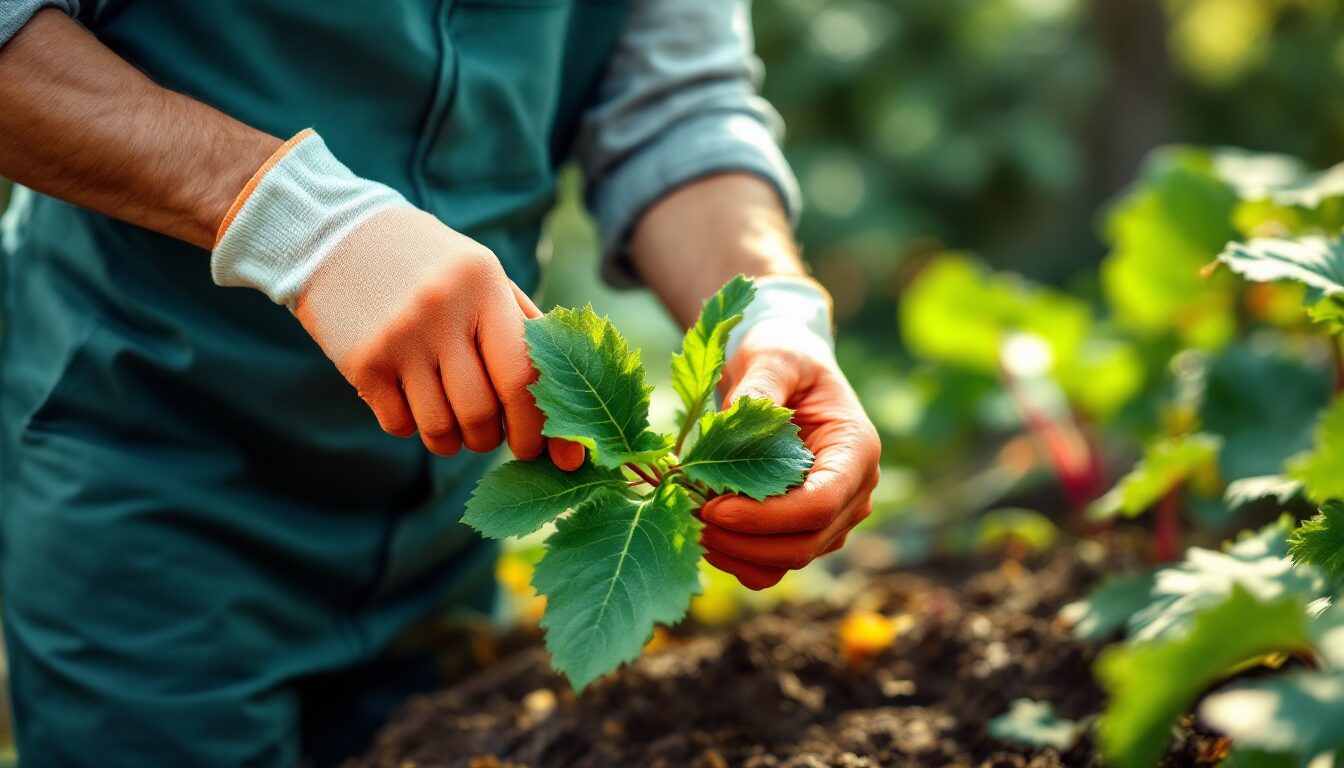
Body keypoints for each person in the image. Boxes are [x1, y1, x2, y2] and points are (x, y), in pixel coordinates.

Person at [0, 1, 881, 764]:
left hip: (442, 523)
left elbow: (674, 102)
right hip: (148, 483)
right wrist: (295, 222)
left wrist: (772, 310)